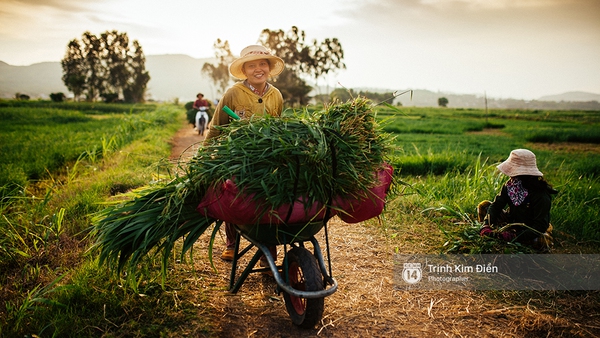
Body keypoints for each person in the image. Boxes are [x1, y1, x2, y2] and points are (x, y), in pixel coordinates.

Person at [203, 45, 285, 262]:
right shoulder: (233, 94)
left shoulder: (276, 95)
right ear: (245, 70)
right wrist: (204, 158)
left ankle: (267, 251)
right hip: (237, 158)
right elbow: (216, 127)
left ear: (268, 67)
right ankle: (232, 242)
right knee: (233, 193)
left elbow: (278, 127)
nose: (258, 69)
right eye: (252, 66)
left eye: (262, 64)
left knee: (269, 198)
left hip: (266, 159)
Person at [478, 149, 557, 251]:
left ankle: (516, 241)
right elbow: (496, 206)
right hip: (512, 221)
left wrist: (514, 236)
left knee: (541, 241)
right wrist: (486, 224)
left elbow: (540, 226)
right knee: (484, 206)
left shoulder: (540, 194)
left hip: (531, 229)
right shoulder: (510, 186)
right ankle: (494, 234)